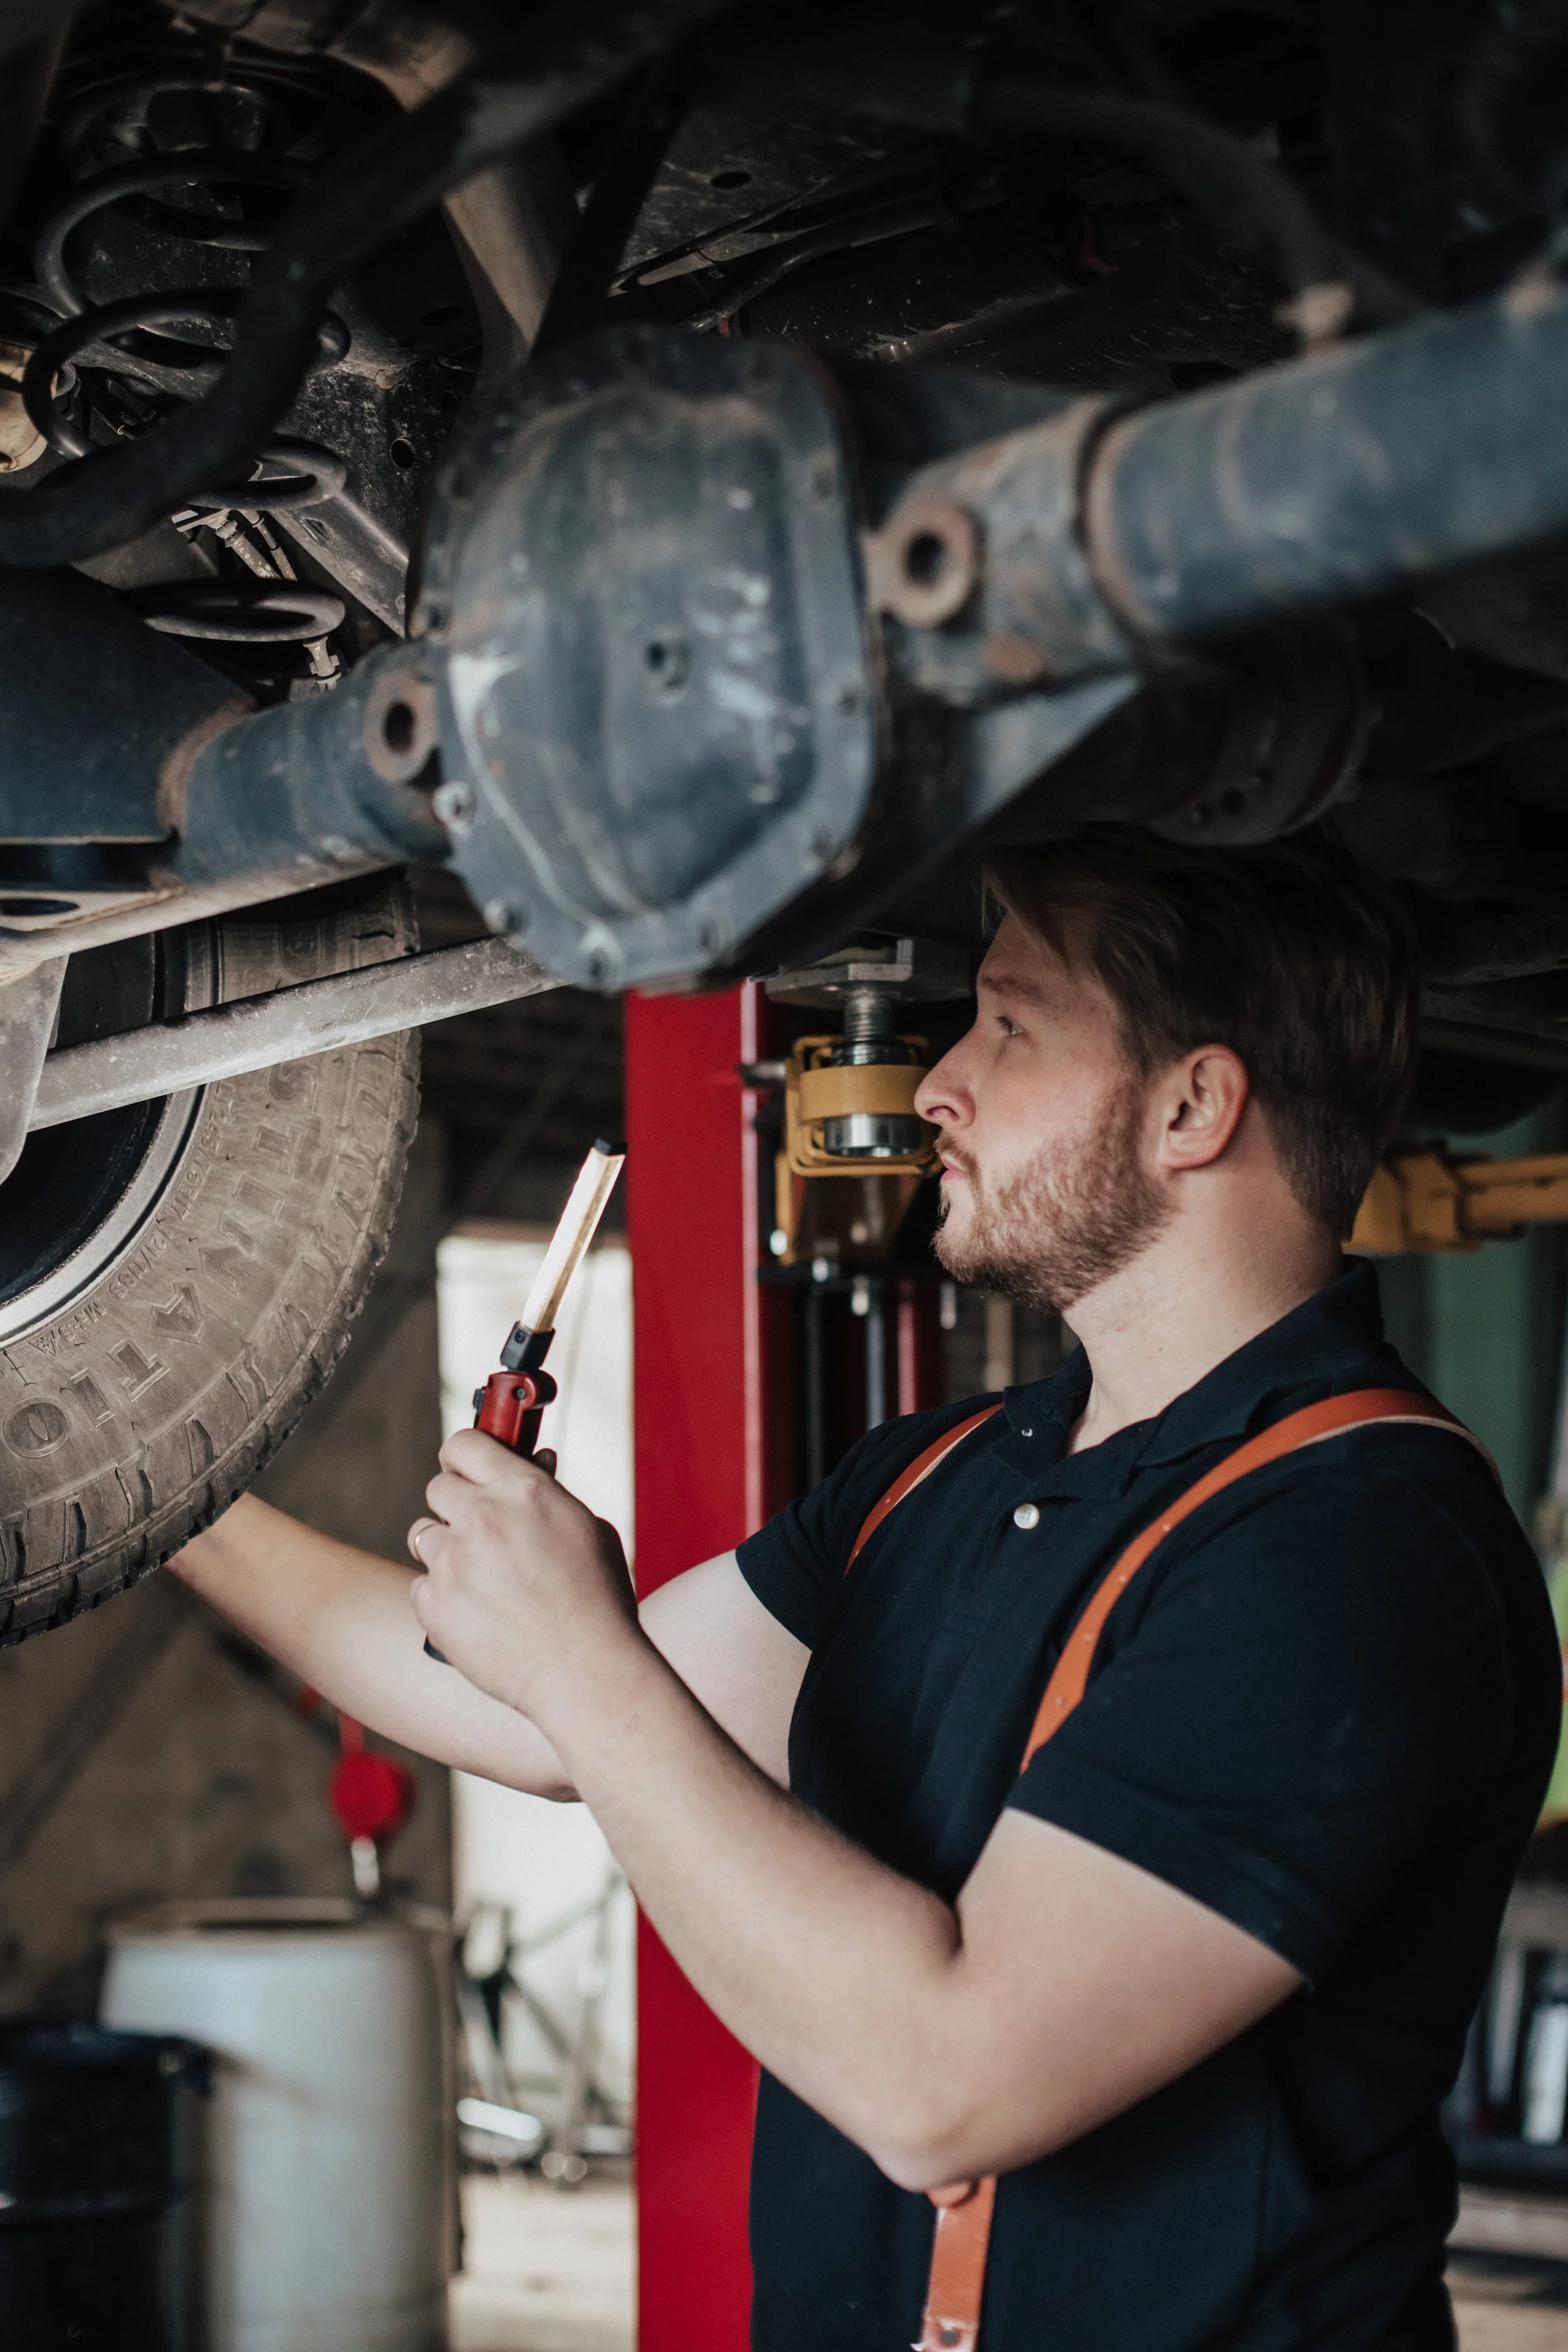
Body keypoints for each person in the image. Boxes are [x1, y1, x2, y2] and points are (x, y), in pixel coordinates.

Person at [173, 828, 1560, 2352]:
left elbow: (943, 2084)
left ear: (1189, 1107)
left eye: (1008, 1025)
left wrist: (583, 1660)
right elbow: (501, 1708)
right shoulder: (936, 1475)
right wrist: (138, 1482)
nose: (932, 1084)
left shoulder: (1354, 1547)